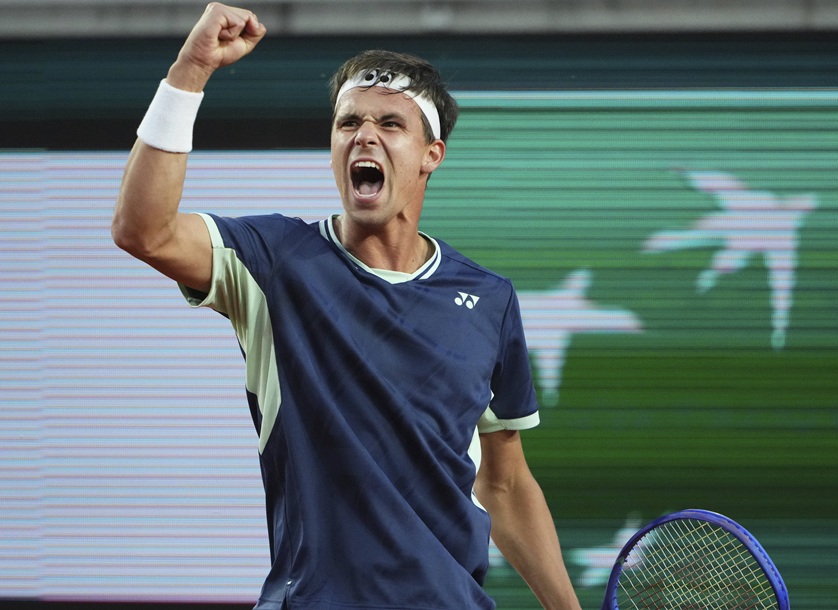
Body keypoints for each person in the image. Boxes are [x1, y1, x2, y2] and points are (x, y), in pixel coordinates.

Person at [112, 3, 583, 609]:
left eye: (390, 123)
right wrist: (192, 69)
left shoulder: (489, 300)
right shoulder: (274, 262)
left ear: (430, 155)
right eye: (348, 123)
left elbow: (507, 483)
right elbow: (142, 229)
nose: (364, 135)